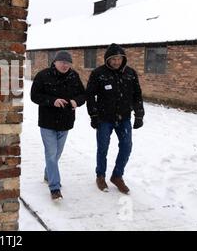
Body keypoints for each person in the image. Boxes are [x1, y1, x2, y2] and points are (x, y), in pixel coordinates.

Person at [86, 43, 144, 194]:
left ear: (123, 59)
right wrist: (93, 115)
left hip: (124, 117)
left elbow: (137, 94)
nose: (116, 62)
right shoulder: (99, 73)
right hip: (104, 118)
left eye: (119, 59)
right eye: (113, 59)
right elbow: (90, 95)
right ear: (108, 59)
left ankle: (117, 176)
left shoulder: (130, 73)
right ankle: (100, 175)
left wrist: (139, 115)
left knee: (126, 146)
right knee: (103, 148)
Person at [31, 51, 86, 200]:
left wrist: (76, 101)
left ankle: (48, 174)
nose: (65, 65)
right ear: (54, 62)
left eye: (67, 62)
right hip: (47, 122)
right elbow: (34, 96)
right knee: (51, 154)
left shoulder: (73, 76)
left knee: (56, 154)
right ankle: (55, 187)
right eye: (62, 62)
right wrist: (51, 101)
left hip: (66, 122)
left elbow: (83, 95)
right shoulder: (43, 75)